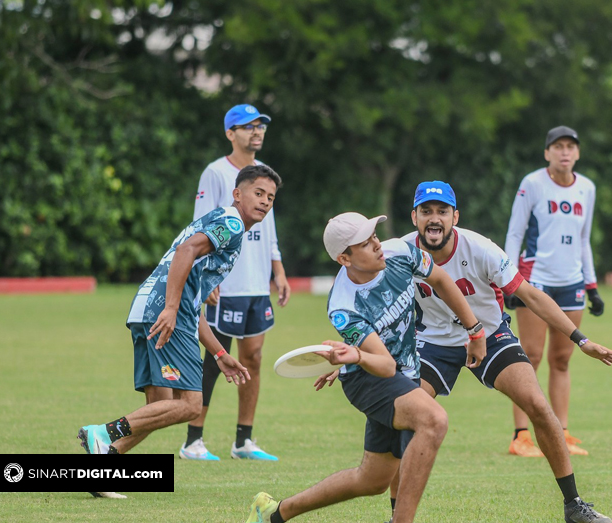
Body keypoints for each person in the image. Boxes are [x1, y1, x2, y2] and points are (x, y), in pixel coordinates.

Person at [394, 181, 612, 523]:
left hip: (490, 334)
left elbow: (530, 296)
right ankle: (396, 516)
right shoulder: (399, 252)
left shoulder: (481, 249)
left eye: (442, 211)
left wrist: (581, 339)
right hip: (434, 341)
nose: (434, 218)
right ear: (414, 217)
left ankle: (574, 506)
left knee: (538, 406)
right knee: (406, 421)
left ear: (454, 217)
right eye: (426, 211)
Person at [245, 212, 487, 523]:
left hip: (403, 374)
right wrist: (356, 357)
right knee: (434, 420)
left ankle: (274, 513)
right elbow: (384, 366)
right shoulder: (345, 306)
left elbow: (439, 278)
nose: (376, 245)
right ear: (344, 258)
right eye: (365, 243)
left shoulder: (400, 252)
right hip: (368, 380)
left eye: (374, 236)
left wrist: (475, 330)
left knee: (372, 480)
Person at [77, 165, 281, 467]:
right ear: (237, 194)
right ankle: (103, 433)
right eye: (258, 193)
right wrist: (171, 308)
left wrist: (220, 352)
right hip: (166, 311)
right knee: (189, 406)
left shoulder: (218, 223)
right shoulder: (232, 223)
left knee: (160, 408)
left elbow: (193, 299)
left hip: (146, 308)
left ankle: (103, 466)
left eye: (271, 197)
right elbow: (186, 252)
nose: (265, 201)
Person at [180, 104, 289, 462]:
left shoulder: (264, 175)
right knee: (214, 358)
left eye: (260, 126)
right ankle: (193, 441)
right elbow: (200, 228)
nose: (256, 132)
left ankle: (244, 441)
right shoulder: (215, 173)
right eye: (247, 127)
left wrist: (279, 271)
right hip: (225, 283)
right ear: (230, 133)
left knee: (253, 358)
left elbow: (268, 228)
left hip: (258, 283)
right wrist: (204, 275)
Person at [503, 125, 604, 457]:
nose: (564, 152)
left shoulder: (586, 188)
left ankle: (561, 432)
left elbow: (584, 239)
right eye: (558, 146)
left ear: (577, 153)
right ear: (547, 153)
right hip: (535, 282)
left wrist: (591, 286)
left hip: (571, 282)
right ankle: (522, 435)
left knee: (561, 359)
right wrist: (506, 278)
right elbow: (515, 234)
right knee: (528, 357)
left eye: (570, 146)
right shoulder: (532, 184)